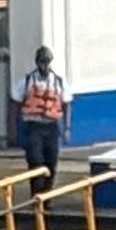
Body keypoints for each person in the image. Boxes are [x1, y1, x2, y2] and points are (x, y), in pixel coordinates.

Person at [15, 43, 68, 185]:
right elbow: (14, 103)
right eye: (42, 62)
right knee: (36, 162)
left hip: (52, 127)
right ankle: (36, 198)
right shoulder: (27, 81)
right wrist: (14, 129)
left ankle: (47, 199)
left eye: (47, 62)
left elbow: (67, 103)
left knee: (51, 163)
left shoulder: (58, 82)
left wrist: (66, 129)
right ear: (37, 62)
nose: (45, 65)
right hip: (34, 127)